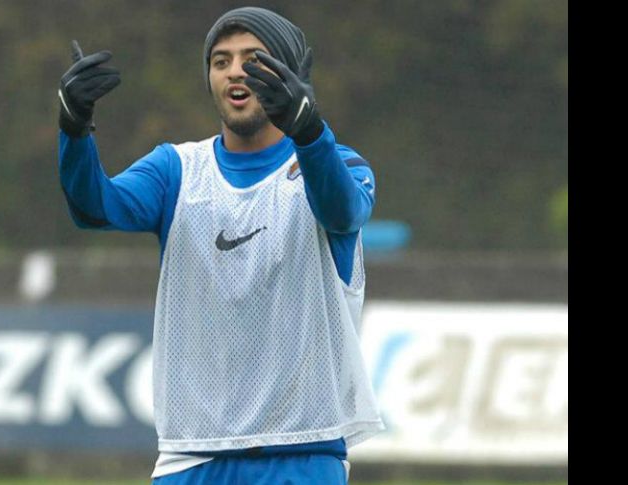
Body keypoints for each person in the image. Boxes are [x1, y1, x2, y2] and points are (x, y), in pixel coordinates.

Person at [58, 6, 384, 484]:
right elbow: (94, 208)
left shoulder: (336, 163)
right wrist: (73, 127)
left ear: (288, 73)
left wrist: (309, 130)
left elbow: (342, 212)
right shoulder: (176, 170)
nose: (234, 70)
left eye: (253, 58)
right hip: (193, 456)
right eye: (220, 60)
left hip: (303, 451)